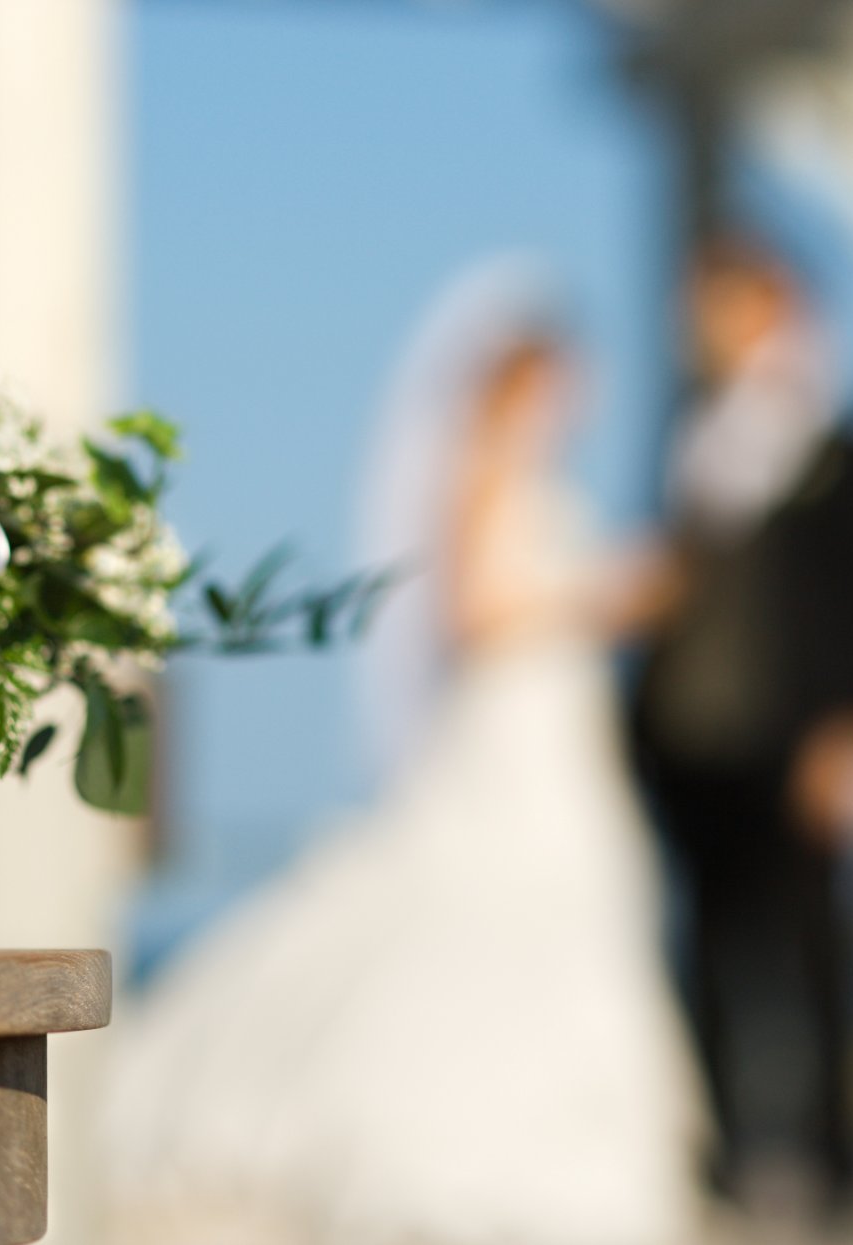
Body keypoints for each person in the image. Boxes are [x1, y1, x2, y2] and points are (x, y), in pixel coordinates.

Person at [104, 261, 704, 1245]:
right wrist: (602, 598)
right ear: (523, 384)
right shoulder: (479, 475)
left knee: (556, 929)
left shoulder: (545, 486)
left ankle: (570, 1153)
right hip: (507, 730)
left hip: (556, 739)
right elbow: (471, 613)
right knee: (476, 915)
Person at [629, 234, 853, 1220]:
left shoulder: (848, 450)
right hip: (693, 741)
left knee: (821, 951)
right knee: (711, 949)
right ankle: (725, 1153)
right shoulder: (690, 439)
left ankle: (842, 1163)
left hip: (801, 740)